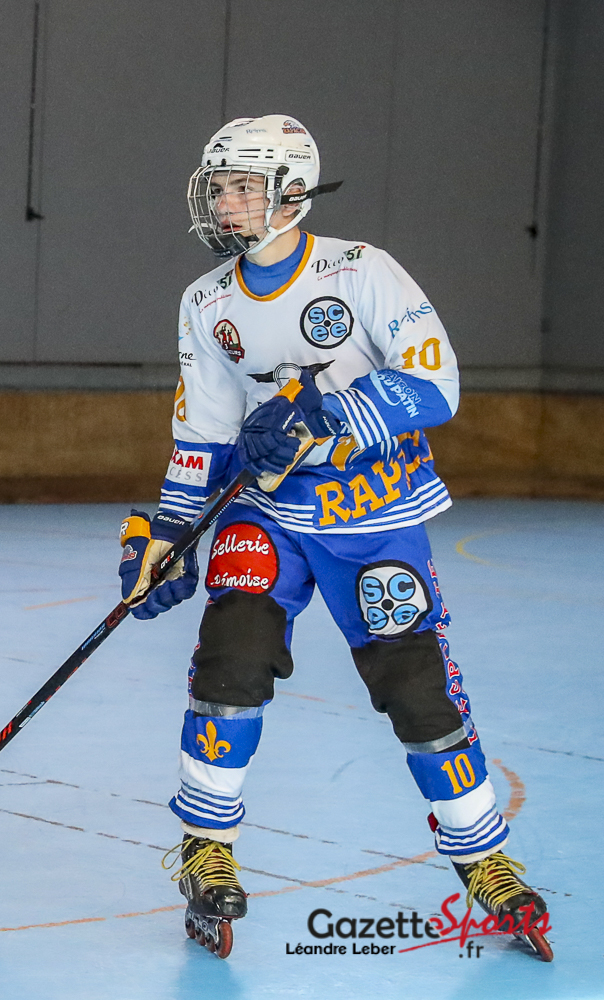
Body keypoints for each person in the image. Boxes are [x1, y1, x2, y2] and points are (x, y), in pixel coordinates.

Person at [119, 115, 551, 959]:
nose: (225, 202)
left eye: (244, 186)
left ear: (292, 193)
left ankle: (485, 860)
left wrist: (330, 414)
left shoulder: (360, 271)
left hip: (373, 515)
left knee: (417, 688)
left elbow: (437, 382)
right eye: (219, 186)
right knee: (231, 661)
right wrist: (167, 533)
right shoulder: (206, 302)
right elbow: (204, 432)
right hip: (267, 514)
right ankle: (206, 846)